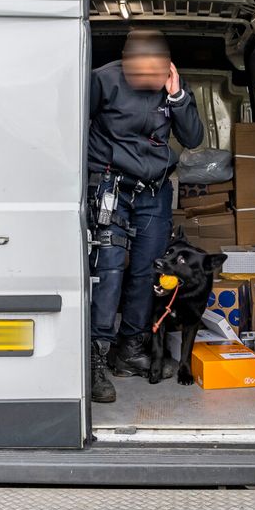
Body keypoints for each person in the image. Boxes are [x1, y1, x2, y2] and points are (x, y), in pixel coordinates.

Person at [86, 29, 204, 402]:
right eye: (143, 74)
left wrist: (177, 96)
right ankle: (95, 356)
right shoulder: (102, 81)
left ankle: (130, 349)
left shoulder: (172, 87)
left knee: (148, 270)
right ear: (126, 62)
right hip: (111, 187)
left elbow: (193, 138)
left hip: (154, 192)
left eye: (157, 74)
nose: (149, 82)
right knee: (108, 269)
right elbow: (71, 129)